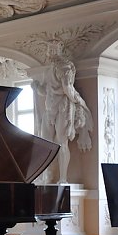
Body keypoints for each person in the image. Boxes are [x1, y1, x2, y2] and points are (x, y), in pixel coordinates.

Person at [33, 47, 92, 183]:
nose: (49, 52)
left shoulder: (65, 67)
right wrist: (37, 88)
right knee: (45, 143)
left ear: (58, 51)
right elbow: (46, 90)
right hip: (50, 108)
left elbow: (67, 88)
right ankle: (46, 176)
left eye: (52, 49)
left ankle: (63, 178)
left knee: (62, 143)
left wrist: (78, 101)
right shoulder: (49, 70)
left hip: (63, 107)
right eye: (49, 50)